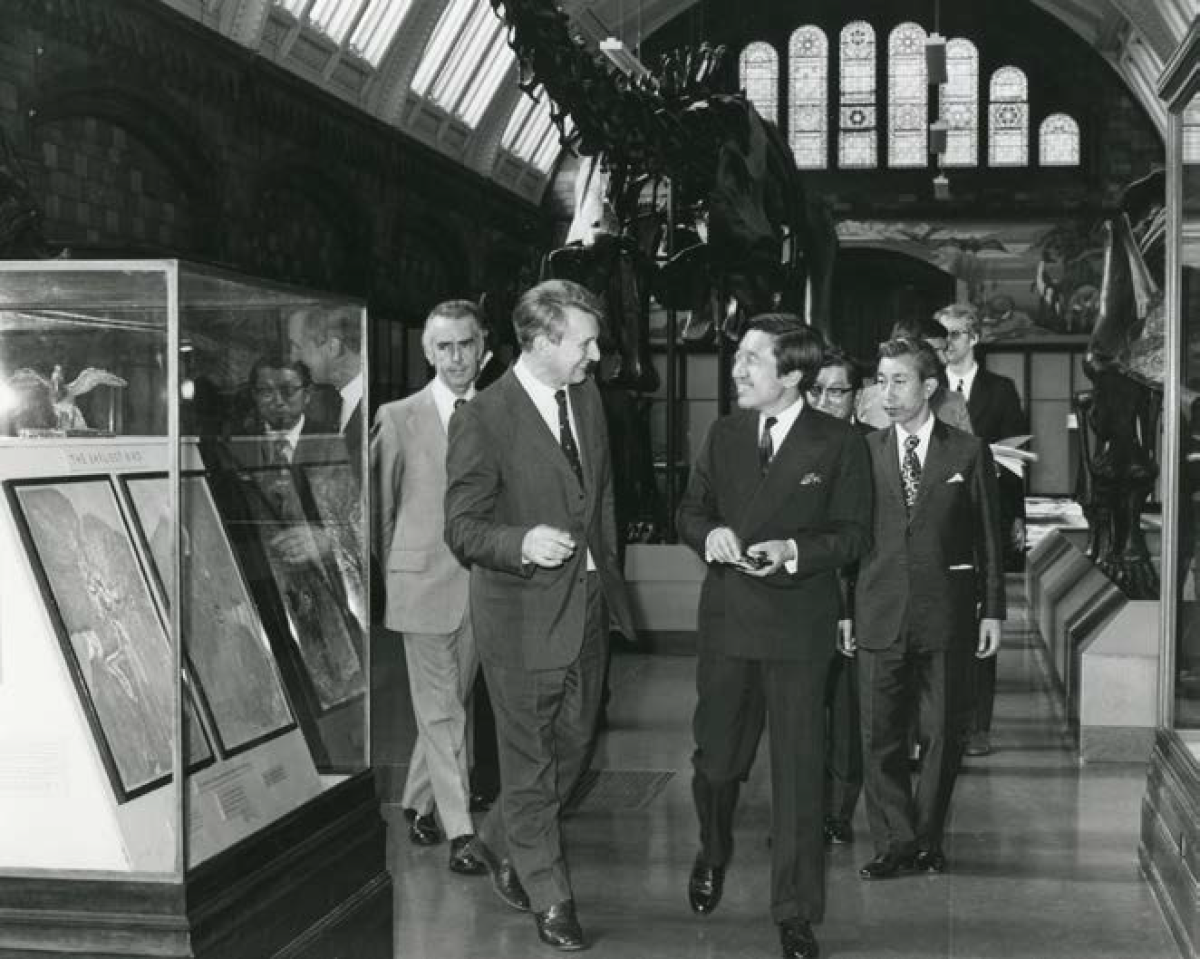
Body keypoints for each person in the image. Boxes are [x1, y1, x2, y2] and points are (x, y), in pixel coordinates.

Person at [444, 278, 636, 952]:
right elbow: (462, 527)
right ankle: (550, 895)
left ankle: (497, 840)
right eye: (584, 341)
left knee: (575, 744)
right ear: (545, 338)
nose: (594, 354)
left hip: (585, 606)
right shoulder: (484, 416)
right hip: (520, 615)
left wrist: (606, 581)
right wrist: (518, 542)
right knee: (528, 762)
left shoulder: (584, 398)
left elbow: (602, 496)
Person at [676, 316, 872, 959]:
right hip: (728, 622)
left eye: (752, 359)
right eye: (739, 356)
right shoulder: (723, 433)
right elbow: (691, 509)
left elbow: (852, 535)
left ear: (791, 375)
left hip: (798, 627)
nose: (737, 369)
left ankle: (795, 910)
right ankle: (712, 847)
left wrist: (792, 548)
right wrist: (710, 535)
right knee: (716, 762)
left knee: (797, 776)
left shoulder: (838, 442)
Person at [849, 337, 1004, 881]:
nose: (885, 392)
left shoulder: (967, 451)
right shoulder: (862, 452)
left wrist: (994, 612)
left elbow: (989, 539)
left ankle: (928, 839)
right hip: (877, 612)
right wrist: (846, 611)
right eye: (880, 380)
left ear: (929, 387)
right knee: (879, 735)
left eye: (898, 381)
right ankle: (896, 842)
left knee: (942, 732)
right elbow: (850, 538)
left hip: (948, 614)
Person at [370, 299, 489, 875]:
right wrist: (399, 572)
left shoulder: (497, 414)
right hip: (420, 587)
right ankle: (462, 831)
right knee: (442, 711)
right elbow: (380, 511)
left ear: (484, 348)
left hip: (484, 588)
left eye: (465, 343)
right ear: (427, 352)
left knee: (450, 707)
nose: (456, 356)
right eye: (444, 346)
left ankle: (418, 802)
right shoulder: (398, 417)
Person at [936, 302, 1028, 757]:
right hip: (940, 517)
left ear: (974, 338)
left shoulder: (1001, 390)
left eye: (954, 335)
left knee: (982, 616)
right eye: (942, 336)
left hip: (985, 514)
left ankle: (978, 726)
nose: (947, 344)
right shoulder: (929, 390)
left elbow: (1016, 461)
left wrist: (1015, 518)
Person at [807, 348, 870, 846]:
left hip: (856, 598)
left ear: (857, 394)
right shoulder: (786, 447)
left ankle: (838, 811)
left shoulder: (872, 448)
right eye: (817, 390)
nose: (826, 401)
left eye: (838, 391)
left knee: (846, 714)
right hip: (797, 596)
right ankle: (801, 809)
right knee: (798, 712)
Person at [856, 317, 973, 433]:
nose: (944, 360)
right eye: (935, 351)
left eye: (944, 350)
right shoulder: (866, 400)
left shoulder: (954, 402)